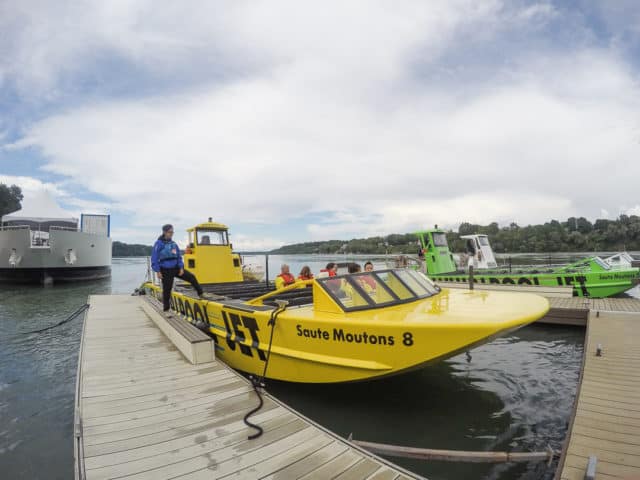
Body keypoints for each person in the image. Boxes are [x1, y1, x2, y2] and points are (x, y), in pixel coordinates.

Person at [151, 224, 204, 313]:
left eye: (172, 232)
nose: (171, 234)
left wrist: (181, 268)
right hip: (165, 269)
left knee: (191, 277)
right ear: (164, 232)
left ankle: (201, 293)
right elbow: (154, 258)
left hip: (175, 268)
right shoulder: (158, 244)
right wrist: (158, 271)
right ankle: (166, 310)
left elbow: (179, 257)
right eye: (169, 232)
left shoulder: (174, 244)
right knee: (167, 289)